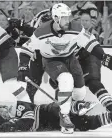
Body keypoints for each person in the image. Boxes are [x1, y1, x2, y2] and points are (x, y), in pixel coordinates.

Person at [19, 3, 90, 134]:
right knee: (34, 83)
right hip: (40, 55)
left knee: (68, 84)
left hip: (60, 54)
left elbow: (72, 36)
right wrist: (23, 65)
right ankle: (27, 111)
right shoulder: (41, 16)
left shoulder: (64, 17)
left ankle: (67, 109)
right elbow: (33, 35)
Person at [0, 100, 112, 132]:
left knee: (61, 110)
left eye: (0, 110)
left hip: (47, 112)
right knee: (84, 125)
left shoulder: (16, 107)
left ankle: (78, 106)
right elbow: (6, 126)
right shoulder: (11, 119)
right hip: (57, 124)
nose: (2, 113)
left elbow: (28, 122)